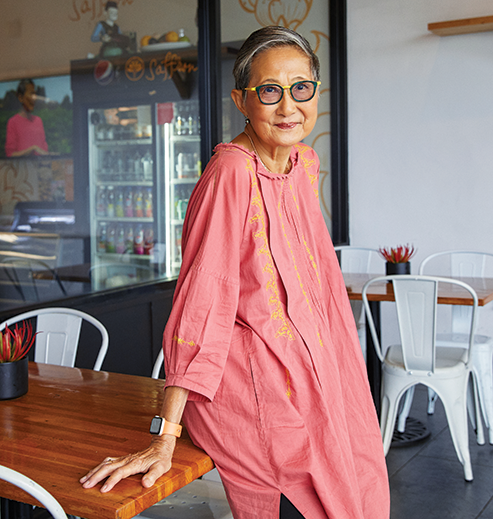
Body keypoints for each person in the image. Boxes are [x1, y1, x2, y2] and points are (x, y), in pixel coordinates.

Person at [80, 26, 390, 519]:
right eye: (269, 91)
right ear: (242, 101)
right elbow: (202, 306)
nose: (289, 106)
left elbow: (317, 286)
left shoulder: (304, 162)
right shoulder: (232, 173)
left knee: (358, 473)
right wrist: (166, 436)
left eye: (301, 88)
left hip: (319, 372)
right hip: (253, 389)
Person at [5, 79, 49, 158]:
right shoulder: (13, 122)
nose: (34, 98)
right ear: (20, 98)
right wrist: (32, 149)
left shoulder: (38, 121)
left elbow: (45, 151)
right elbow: (10, 155)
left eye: (35, 94)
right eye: (31, 94)